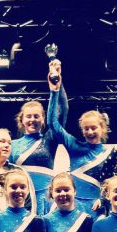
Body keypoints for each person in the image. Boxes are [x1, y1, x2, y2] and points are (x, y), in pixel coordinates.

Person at [46, 70, 117, 217]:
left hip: (97, 208)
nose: (90, 132)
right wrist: (54, 92)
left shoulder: (109, 153)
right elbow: (53, 124)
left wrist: (103, 200)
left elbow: (111, 184)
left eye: (93, 128)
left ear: (102, 128)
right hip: (74, 206)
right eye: (86, 128)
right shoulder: (75, 147)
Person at [10, 62, 69, 215]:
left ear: (43, 119)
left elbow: (62, 112)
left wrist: (56, 88)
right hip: (21, 199)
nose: (32, 120)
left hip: (44, 201)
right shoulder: (12, 145)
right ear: (21, 120)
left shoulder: (49, 141)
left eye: (37, 116)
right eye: (28, 116)